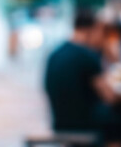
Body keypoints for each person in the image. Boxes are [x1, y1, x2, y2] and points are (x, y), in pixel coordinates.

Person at [44, 10, 116, 144]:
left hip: (59, 125)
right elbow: (110, 97)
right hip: (87, 126)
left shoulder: (55, 54)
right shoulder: (87, 55)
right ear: (93, 29)